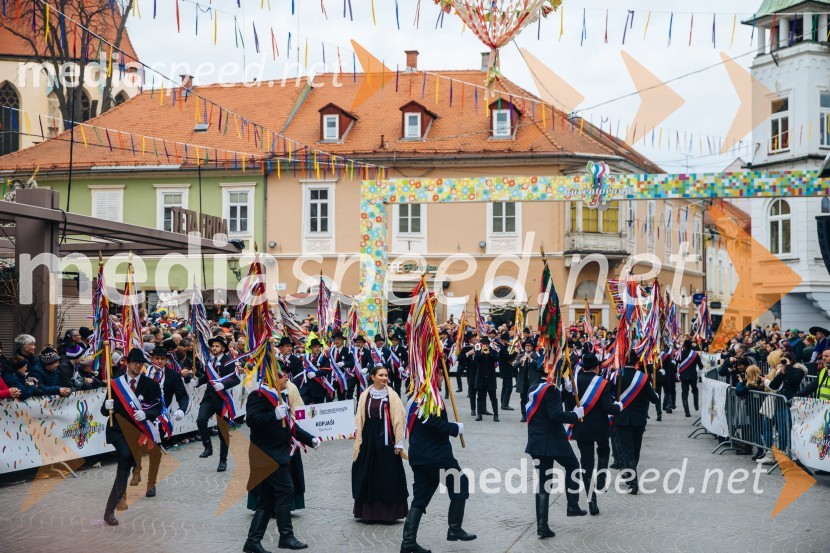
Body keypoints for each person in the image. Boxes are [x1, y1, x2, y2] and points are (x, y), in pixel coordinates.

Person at [243, 369, 319, 552]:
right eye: (284, 376)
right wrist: (273, 415)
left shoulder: (279, 397)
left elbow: (291, 426)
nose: (287, 378)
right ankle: (286, 536)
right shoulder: (258, 395)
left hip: (277, 453)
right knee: (286, 489)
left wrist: (310, 439)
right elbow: (252, 420)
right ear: (273, 378)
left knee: (268, 498)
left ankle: (252, 541)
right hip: (265, 455)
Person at [402, 370, 475, 553]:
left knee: (420, 498)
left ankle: (408, 542)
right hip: (435, 456)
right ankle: (455, 529)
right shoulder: (430, 397)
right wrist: (455, 428)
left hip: (419, 456)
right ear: (435, 377)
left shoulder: (417, 396)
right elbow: (431, 422)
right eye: (441, 375)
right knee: (460, 482)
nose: (443, 378)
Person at [101, 347, 162, 526]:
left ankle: (110, 509)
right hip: (118, 431)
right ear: (126, 363)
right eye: (134, 362)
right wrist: (106, 405)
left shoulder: (150, 384)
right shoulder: (115, 384)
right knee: (127, 456)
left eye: (140, 363)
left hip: (138, 431)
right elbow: (105, 412)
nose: (137, 366)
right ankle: (112, 508)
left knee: (125, 464)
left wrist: (147, 414)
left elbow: (158, 407)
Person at [525, 371, 586, 539]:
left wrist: (565, 391)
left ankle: (542, 526)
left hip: (537, 442)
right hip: (553, 441)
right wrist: (575, 415)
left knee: (544, 483)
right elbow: (555, 415)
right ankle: (572, 504)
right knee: (573, 465)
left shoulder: (534, 387)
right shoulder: (551, 390)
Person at [563, 353, 622, 515]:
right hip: (601, 428)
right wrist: (619, 406)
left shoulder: (574, 382)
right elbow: (607, 408)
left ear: (583, 367)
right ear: (597, 367)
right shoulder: (603, 383)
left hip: (582, 429)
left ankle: (592, 501)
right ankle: (601, 479)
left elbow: (569, 405)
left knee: (586, 465)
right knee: (604, 450)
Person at [352, 366, 409, 522]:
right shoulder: (365, 394)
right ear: (373, 377)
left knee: (387, 472)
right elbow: (360, 416)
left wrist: (398, 442)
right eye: (381, 375)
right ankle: (368, 512)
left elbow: (399, 418)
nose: (384, 378)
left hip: (386, 437)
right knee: (368, 472)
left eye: (386, 375)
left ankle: (389, 512)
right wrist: (357, 433)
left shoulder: (392, 396)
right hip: (369, 437)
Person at [132, 346, 189, 497]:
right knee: (134, 446)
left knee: (154, 450)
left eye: (162, 359)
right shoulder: (142, 373)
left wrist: (182, 409)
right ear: (151, 359)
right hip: (140, 414)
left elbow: (183, 396)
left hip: (160, 418)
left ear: (166, 360)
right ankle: (136, 468)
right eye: (157, 358)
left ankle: (151, 483)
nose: (159, 361)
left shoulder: (173, 376)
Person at [614, 354, 660, 495]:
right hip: (639, 419)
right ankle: (631, 477)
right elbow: (653, 399)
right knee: (635, 450)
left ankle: (632, 480)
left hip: (622, 418)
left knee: (627, 450)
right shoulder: (643, 378)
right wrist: (656, 394)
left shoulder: (617, 377)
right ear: (636, 363)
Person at [196, 336, 240, 472]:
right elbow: (207, 377)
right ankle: (208, 447)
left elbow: (236, 379)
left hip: (223, 400)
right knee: (201, 420)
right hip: (209, 397)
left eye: (217, 346)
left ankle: (223, 460)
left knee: (223, 433)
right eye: (213, 346)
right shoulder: (210, 361)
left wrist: (223, 384)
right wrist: (197, 382)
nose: (214, 348)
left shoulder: (229, 361)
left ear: (223, 348)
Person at [474, 336, 499, 422]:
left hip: (490, 378)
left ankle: (496, 415)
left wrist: (489, 354)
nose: (485, 346)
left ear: (489, 344)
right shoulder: (478, 351)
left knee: (493, 398)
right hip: (481, 378)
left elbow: (496, 358)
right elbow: (475, 359)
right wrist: (481, 352)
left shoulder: (493, 351)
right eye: (483, 344)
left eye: (486, 344)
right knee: (480, 397)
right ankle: (479, 414)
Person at [676, 339, 703, 417]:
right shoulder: (695, 354)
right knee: (695, 390)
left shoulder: (680, 354)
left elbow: (676, 363)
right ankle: (696, 405)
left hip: (684, 376)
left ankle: (687, 412)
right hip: (693, 376)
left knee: (684, 393)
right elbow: (701, 366)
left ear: (684, 346)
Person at [303, 338, 334, 404]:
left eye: (318, 347)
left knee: (318, 408)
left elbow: (327, 369)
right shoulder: (306, 357)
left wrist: (315, 374)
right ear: (311, 348)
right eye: (315, 347)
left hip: (319, 387)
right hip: (308, 388)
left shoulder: (324, 357)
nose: (317, 348)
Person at [515, 340, 539, 423]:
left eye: (529, 346)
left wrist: (530, 359)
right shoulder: (521, 355)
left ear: (532, 347)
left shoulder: (535, 355)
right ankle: (524, 415)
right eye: (526, 346)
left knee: (532, 398)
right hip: (523, 380)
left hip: (532, 380)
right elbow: (515, 365)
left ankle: (531, 415)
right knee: (523, 399)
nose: (527, 347)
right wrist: (521, 361)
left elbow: (539, 365)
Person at [329, 332, 355, 401]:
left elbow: (352, 363)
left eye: (338, 339)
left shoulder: (347, 351)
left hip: (342, 377)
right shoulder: (331, 351)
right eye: (335, 339)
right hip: (332, 377)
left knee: (341, 397)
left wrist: (344, 363)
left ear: (342, 340)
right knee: (330, 397)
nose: (336, 341)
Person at [497, 332, 516, 411]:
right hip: (506, 370)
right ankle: (505, 404)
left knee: (505, 387)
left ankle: (503, 403)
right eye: (507, 340)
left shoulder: (502, 346)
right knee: (508, 387)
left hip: (504, 369)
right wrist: (516, 352)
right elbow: (509, 358)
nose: (508, 342)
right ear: (504, 340)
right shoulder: (502, 348)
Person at [656, 346, 677, 414]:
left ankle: (659, 411)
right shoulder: (666, 356)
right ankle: (668, 406)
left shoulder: (654, 355)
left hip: (658, 376)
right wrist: (673, 363)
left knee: (658, 394)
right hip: (666, 377)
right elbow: (671, 365)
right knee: (668, 392)